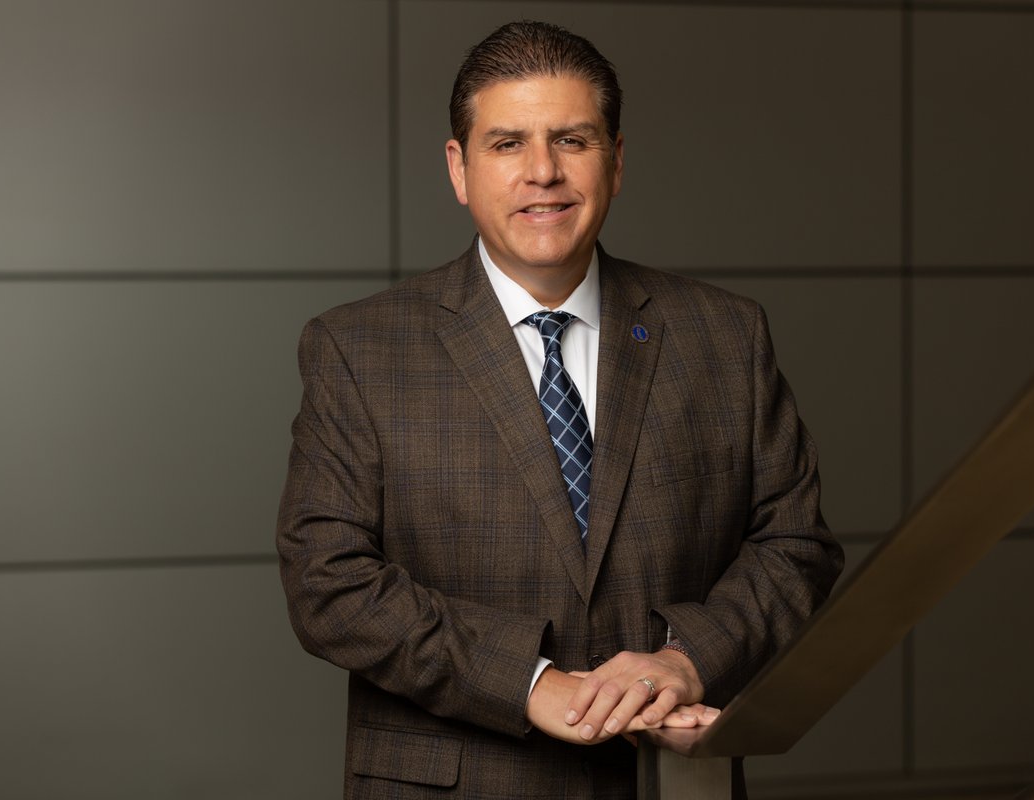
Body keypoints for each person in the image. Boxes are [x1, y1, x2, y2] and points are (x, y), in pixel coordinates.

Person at [277, 20, 843, 800]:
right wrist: (531, 682)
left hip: (668, 780)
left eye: (572, 140)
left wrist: (687, 659)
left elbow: (795, 543)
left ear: (616, 161)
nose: (543, 172)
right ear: (460, 168)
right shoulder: (359, 349)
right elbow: (326, 583)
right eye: (508, 144)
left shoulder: (724, 335)